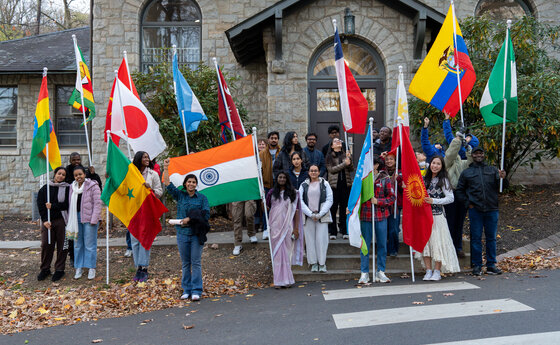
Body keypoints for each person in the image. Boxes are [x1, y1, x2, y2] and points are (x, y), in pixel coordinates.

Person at [455, 147, 507, 276]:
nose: (478, 155)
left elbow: (503, 187)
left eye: (481, 153)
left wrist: (503, 178)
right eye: (476, 153)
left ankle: (491, 265)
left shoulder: (493, 170)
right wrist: (468, 204)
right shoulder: (466, 172)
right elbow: (459, 190)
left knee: (491, 238)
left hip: (492, 209)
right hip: (475, 210)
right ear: (472, 155)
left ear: (484, 155)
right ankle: (477, 265)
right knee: (476, 239)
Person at [163, 159, 210, 301]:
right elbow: (167, 184)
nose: (191, 184)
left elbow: (206, 214)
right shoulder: (180, 196)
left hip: (196, 234)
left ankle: (196, 290)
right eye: (189, 182)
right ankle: (186, 289)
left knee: (195, 262)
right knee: (185, 263)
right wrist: (166, 167)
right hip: (182, 234)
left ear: (196, 185)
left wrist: (190, 219)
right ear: (185, 184)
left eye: (193, 182)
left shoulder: (202, 198)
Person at [417, 156, 460, 281]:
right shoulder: (424, 178)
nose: (435, 166)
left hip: (438, 216)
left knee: (438, 243)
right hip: (424, 216)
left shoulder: (444, 180)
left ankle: (437, 270)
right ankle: (428, 270)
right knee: (426, 244)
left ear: (442, 166)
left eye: (438, 164)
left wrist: (434, 200)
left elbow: (450, 198)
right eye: (433, 163)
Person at [358, 157, 395, 284]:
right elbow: (356, 195)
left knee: (382, 244)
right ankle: (364, 272)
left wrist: (378, 202)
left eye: (371, 163)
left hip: (381, 216)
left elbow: (392, 198)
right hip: (365, 216)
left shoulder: (385, 179)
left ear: (377, 165)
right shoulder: (362, 178)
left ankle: (381, 271)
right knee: (365, 245)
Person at [129, 151, 163, 282]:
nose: (147, 159)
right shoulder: (132, 175)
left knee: (145, 239)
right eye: (144, 157)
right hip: (134, 211)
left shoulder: (153, 174)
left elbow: (160, 192)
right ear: (138, 159)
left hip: (148, 211)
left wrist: (151, 189)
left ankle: (144, 268)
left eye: (148, 157)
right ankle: (138, 267)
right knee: (135, 240)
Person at [266, 172, 304, 288]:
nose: (281, 179)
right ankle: (278, 281)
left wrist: (296, 228)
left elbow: (296, 211)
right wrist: (262, 198)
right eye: (280, 177)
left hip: (288, 227)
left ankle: (287, 280)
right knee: (277, 254)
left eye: (284, 177)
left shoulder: (293, 193)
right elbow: (266, 208)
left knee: (287, 254)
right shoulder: (272, 193)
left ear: (287, 179)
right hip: (275, 227)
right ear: (276, 179)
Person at [64, 152, 103, 262]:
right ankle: (76, 261)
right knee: (76, 242)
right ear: (70, 161)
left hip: (88, 215)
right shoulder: (68, 177)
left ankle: (90, 264)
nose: (76, 162)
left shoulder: (88, 174)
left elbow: (97, 193)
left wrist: (94, 174)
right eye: (74, 160)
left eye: (78, 159)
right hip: (74, 216)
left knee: (89, 242)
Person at [36, 167, 70, 282]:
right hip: (48, 221)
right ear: (55, 174)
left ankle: (59, 269)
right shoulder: (45, 189)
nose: (61, 176)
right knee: (46, 244)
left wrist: (53, 206)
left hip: (62, 220)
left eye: (63, 175)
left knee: (62, 246)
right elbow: (41, 205)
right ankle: (45, 269)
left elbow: (67, 204)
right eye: (59, 173)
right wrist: (45, 220)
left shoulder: (67, 188)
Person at [443, 133, 474, 258]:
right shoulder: (446, 162)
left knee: (459, 222)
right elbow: (450, 155)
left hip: (461, 195)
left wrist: (468, 149)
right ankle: (449, 247)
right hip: (450, 194)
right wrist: (458, 140)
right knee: (450, 222)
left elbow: (471, 162)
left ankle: (458, 246)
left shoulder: (462, 164)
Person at [299, 165, 333, 272]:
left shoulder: (325, 184)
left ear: (319, 172)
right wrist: (310, 214)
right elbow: (300, 201)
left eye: (315, 171)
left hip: (321, 217)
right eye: (311, 171)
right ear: (308, 172)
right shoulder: (303, 185)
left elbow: (329, 199)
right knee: (310, 240)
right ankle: (313, 263)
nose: (313, 172)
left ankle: (322, 263)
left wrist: (320, 214)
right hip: (309, 217)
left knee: (322, 240)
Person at [326, 138, 353, 240]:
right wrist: (344, 164)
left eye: (339, 141)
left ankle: (344, 230)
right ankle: (333, 231)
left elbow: (351, 169)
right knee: (333, 208)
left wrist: (349, 160)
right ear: (332, 146)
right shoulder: (329, 157)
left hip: (345, 185)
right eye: (335, 141)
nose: (338, 142)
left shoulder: (345, 155)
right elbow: (332, 170)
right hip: (334, 186)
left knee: (344, 209)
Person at [259, 131, 281, 240]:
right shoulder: (262, 153)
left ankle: (277, 228)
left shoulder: (281, 152)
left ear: (278, 140)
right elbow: (259, 170)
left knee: (278, 207)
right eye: (272, 138)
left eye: (276, 138)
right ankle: (266, 229)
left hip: (279, 184)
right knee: (266, 207)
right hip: (266, 184)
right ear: (268, 139)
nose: (274, 140)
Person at [384, 152, 402, 257]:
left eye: (391, 159)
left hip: (395, 204)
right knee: (384, 229)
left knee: (394, 228)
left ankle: (394, 249)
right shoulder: (382, 172)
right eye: (387, 159)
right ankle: (385, 248)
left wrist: (398, 179)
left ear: (395, 161)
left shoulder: (399, 172)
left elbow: (403, 189)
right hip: (384, 204)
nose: (389, 161)